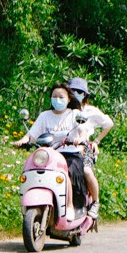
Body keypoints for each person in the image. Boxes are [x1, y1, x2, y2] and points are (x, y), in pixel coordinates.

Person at [13, 82, 97, 215]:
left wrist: (80, 139)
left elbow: (83, 131)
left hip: (71, 154)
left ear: (69, 99)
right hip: (50, 155)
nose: (57, 100)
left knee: (65, 173)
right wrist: (22, 141)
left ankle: (69, 206)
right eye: (54, 96)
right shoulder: (44, 116)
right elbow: (31, 135)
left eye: (61, 97)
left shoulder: (74, 114)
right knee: (33, 170)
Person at [65, 77, 111, 216]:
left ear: (84, 94)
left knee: (87, 171)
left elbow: (108, 124)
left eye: (79, 91)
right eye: (72, 91)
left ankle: (95, 202)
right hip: (63, 147)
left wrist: (96, 141)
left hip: (84, 147)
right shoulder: (63, 110)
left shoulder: (90, 111)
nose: (75, 94)